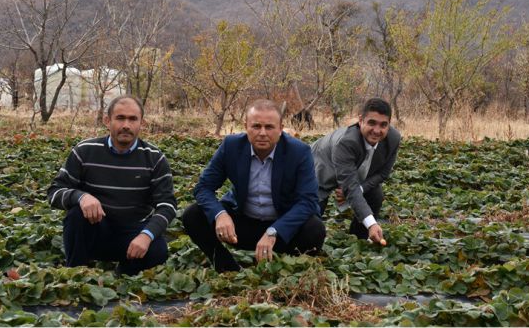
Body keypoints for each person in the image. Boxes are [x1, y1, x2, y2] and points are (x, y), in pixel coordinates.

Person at [182, 99, 325, 272]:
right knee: (193, 215)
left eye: (269, 127)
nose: (262, 133)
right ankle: (227, 267)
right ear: (246, 126)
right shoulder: (231, 146)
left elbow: (308, 201)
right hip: (241, 226)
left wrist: (274, 231)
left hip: (281, 229)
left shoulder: (299, 152)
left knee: (315, 229)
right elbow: (203, 187)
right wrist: (220, 214)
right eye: (256, 126)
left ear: (280, 129)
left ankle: (286, 269)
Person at [47, 95, 176, 275]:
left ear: (142, 123)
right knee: (77, 214)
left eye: (133, 119)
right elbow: (54, 192)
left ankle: (124, 271)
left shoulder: (154, 158)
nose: (126, 125)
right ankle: (76, 273)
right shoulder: (84, 151)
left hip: (132, 232)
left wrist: (146, 236)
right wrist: (81, 196)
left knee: (158, 250)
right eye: (120, 118)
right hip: (96, 229)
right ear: (107, 121)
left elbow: (167, 205)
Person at [312, 98, 400, 244]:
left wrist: (359, 188)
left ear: (389, 125)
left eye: (383, 125)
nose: (377, 130)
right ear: (361, 120)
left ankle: (359, 240)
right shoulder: (346, 142)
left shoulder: (393, 139)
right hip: (321, 169)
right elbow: (350, 187)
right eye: (371, 123)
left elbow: (383, 174)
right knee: (311, 220)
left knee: (375, 194)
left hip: (353, 169)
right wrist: (372, 223)